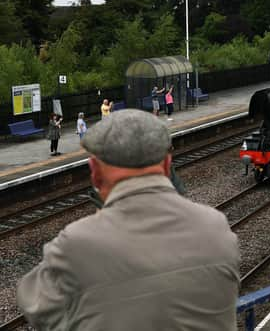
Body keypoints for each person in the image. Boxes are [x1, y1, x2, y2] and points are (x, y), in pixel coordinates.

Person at [17, 109, 240, 330]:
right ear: (166, 165)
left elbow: (34, 304)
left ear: (94, 171)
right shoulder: (216, 227)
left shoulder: (77, 243)